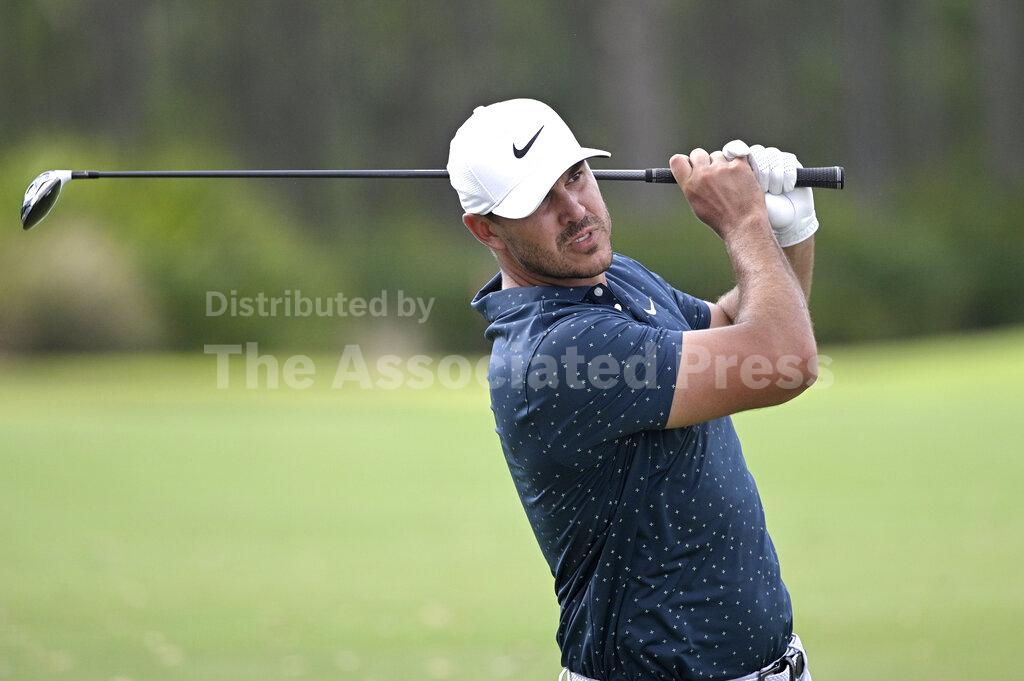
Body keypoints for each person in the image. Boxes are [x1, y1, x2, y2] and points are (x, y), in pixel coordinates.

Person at [447, 98, 818, 681]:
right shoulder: (559, 354)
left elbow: (735, 326)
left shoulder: (611, 276)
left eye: (575, 176)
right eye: (540, 200)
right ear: (484, 228)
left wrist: (788, 232)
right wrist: (744, 223)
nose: (575, 210)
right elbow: (781, 361)